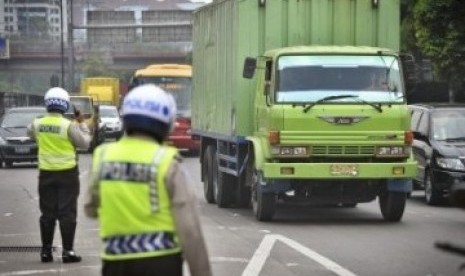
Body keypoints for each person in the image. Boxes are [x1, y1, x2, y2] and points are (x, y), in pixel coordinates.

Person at [84, 84, 212, 276]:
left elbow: (90, 207)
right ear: (165, 124)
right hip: (161, 263)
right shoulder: (167, 161)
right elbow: (190, 230)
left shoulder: (103, 156)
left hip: (115, 264)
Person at [27, 87, 91, 263]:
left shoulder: (37, 123)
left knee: (47, 213)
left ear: (47, 104)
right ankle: (68, 252)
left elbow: (30, 134)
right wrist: (82, 123)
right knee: (67, 213)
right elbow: (85, 143)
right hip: (67, 175)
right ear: (65, 106)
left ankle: (46, 252)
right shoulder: (68, 125)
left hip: (46, 173)